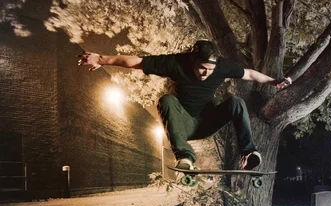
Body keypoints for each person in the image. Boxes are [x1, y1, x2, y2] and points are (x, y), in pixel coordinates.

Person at [77, 40, 291, 170]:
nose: (207, 73)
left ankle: (249, 153)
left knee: (236, 103)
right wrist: (102, 59)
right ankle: (185, 157)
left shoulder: (221, 67)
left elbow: (249, 73)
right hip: (183, 124)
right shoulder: (174, 62)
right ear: (191, 60)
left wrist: (274, 81)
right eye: (202, 68)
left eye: (210, 69)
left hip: (207, 122)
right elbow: (136, 61)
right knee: (166, 100)